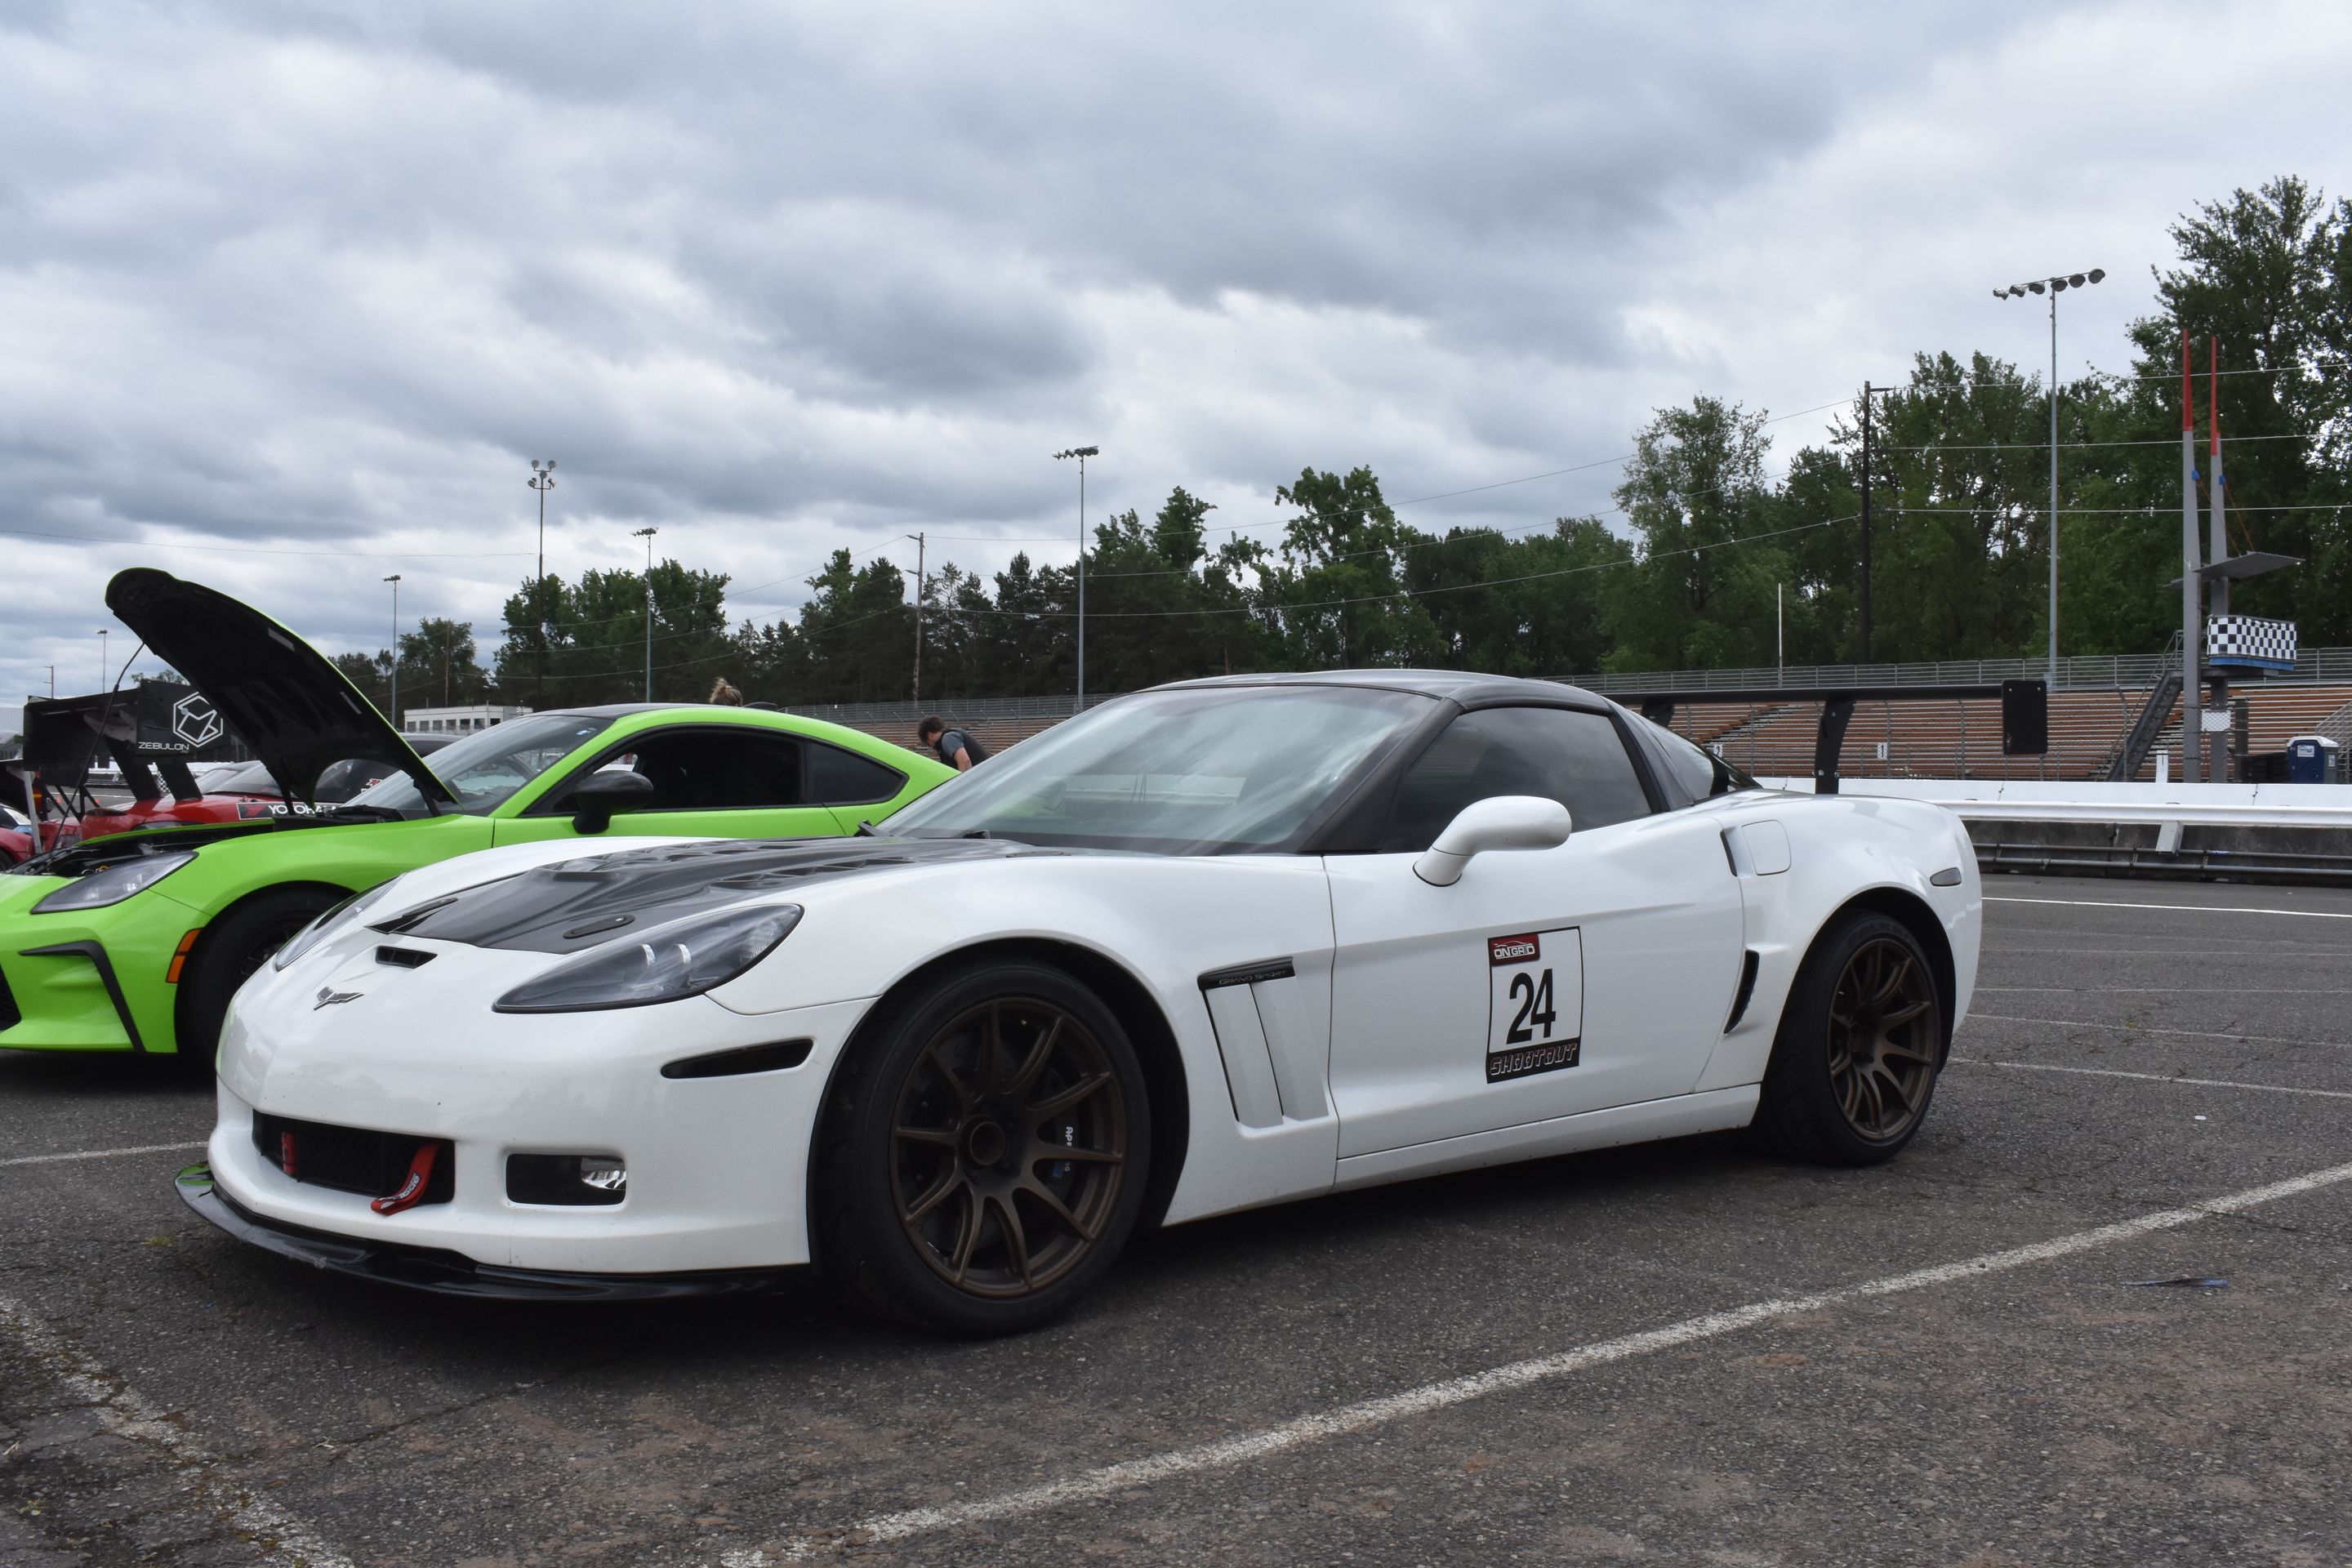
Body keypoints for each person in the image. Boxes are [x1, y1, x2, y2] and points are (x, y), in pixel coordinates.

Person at [918, 715, 989, 772]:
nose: (931, 746)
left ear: (929, 735)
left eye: (927, 743)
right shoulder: (950, 737)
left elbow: (965, 761)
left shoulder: (948, 738)